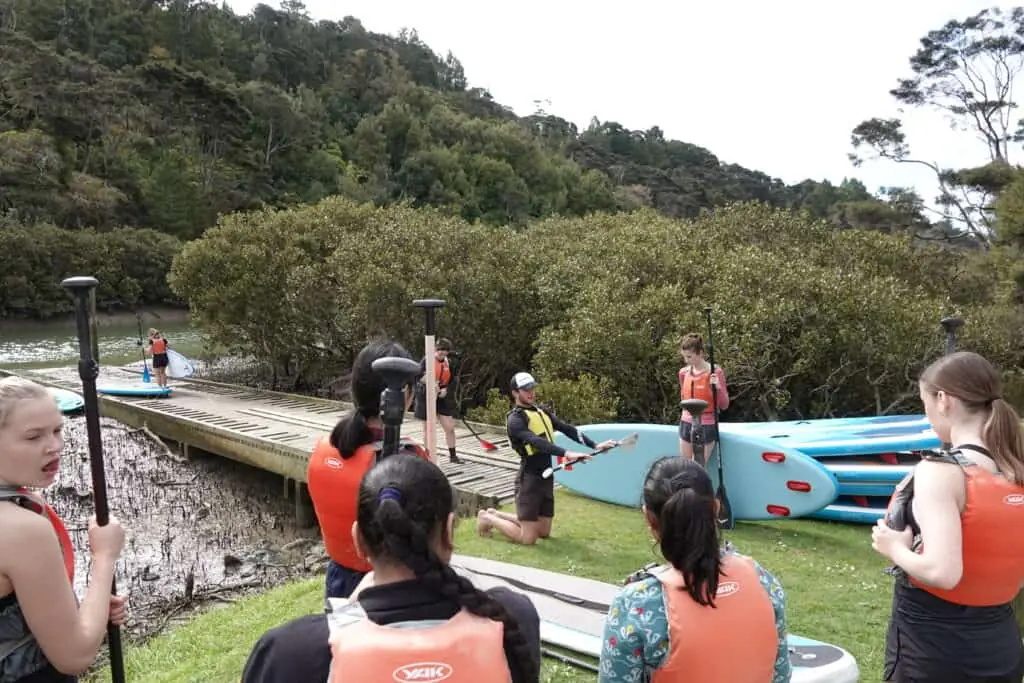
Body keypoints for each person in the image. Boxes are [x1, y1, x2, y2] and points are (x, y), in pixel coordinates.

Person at [242, 453, 542, 683]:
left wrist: (347, 613)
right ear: (449, 532)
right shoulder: (511, 617)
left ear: (359, 540)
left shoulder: (290, 653)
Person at [872, 351, 1024, 683]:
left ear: (943, 400)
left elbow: (943, 573)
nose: (927, 414)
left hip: (934, 646)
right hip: (1001, 643)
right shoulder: (1015, 469)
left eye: (925, 403)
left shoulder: (941, 471)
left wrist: (894, 548)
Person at [599, 456, 790, 683]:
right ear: (716, 508)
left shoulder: (636, 603)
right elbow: (780, 674)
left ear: (649, 518)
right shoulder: (761, 580)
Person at [0, 376, 127, 682]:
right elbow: (74, 655)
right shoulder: (21, 529)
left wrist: (93, 608)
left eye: (57, 430)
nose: (55, 446)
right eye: (33, 437)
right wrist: (104, 558)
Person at [307, 338, 430, 600]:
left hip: (338, 578)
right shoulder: (408, 461)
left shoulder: (325, 448)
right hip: (389, 584)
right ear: (405, 394)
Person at [476, 372, 615, 545]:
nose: (531, 392)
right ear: (515, 393)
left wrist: (595, 445)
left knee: (543, 532)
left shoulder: (541, 412)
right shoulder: (515, 419)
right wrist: (567, 453)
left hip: (546, 475)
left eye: (532, 388)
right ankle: (487, 518)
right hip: (529, 477)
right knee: (528, 539)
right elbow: (537, 442)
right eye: (525, 389)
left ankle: (495, 514)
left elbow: (567, 429)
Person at [676, 333, 729, 464]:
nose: (686, 360)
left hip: (706, 424)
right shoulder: (683, 373)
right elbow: (683, 396)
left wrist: (717, 387)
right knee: (685, 466)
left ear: (700, 353)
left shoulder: (715, 372)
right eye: (684, 356)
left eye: (689, 357)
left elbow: (724, 405)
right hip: (686, 422)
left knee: (697, 467)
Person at [414, 338, 461, 464]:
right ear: (435, 349)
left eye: (445, 350)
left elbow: (452, 380)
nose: (442, 352)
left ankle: (453, 456)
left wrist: (446, 389)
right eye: (440, 349)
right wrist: (431, 383)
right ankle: (428, 456)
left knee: (450, 427)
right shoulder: (426, 360)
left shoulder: (448, 363)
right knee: (428, 429)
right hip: (426, 397)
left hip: (441, 398)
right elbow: (418, 376)